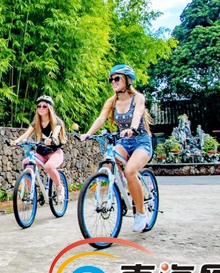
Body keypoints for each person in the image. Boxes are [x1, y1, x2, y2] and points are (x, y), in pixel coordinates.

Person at [80, 64, 153, 232]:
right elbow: (101, 119)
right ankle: (123, 187)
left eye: (117, 78)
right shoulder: (111, 101)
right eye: (111, 79)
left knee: (130, 171)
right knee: (108, 162)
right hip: (124, 142)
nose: (113, 82)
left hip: (141, 142)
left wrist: (132, 128)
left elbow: (138, 114)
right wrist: (88, 134)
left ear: (127, 80)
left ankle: (141, 214)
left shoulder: (138, 98)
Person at [11, 95, 67, 201]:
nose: (41, 108)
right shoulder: (36, 123)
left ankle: (59, 187)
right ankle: (31, 192)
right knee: (26, 163)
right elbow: (26, 135)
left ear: (49, 108)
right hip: (41, 152)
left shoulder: (56, 122)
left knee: (49, 167)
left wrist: (52, 140)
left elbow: (55, 135)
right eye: (39, 106)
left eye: (44, 106)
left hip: (55, 152)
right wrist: (17, 141)